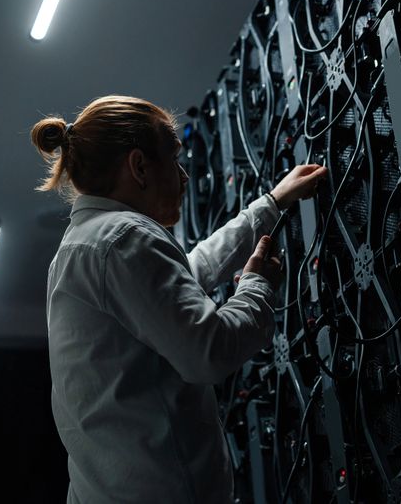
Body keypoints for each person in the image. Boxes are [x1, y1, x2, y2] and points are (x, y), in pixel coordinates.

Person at [31, 95, 327, 503]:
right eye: (174, 159)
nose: (184, 176)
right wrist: (257, 285)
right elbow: (209, 353)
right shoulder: (123, 239)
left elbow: (186, 274)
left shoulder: (86, 244)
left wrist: (272, 203)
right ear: (139, 166)